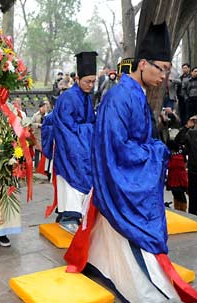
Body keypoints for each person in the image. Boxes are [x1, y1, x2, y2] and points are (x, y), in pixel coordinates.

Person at [65, 22, 197, 302]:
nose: (165, 76)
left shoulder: (135, 93)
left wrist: (154, 139)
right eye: (161, 68)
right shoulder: (120, 95)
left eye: (168, 70)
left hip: (126, 174)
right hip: (120, 176)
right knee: (134, 241)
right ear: (143, 64)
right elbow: (116, 147)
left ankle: (102, 268)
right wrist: (156, 152)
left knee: (108, 239)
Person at [42, 51, 97, 234]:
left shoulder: (87, 97)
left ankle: (70, 214)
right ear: (78, 78)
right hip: (69, 145)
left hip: (81, 143)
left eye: (93, 81)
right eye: (87, 81)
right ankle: (69, 216)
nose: (90, 85)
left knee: (80, 177)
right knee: (73, 176)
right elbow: (66, 126)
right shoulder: (68, 97)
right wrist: (89, 131)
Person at [175, 115, 197, 216]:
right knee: (193, 201)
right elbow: (178, 142)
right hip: (193, 171)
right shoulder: (192, 134)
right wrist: (187, 127)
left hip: (193, 170)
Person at [31, 102, 48, 167]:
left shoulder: (47, 116)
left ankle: (43, 168)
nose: (44, 109)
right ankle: (36, 166)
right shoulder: (35, 115)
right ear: (39, 108)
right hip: (37, 135)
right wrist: (38, 125)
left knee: (44, 153)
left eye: (45, 107)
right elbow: (31, 124)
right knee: (37, 152)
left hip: (45, 136)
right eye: (42, 107)